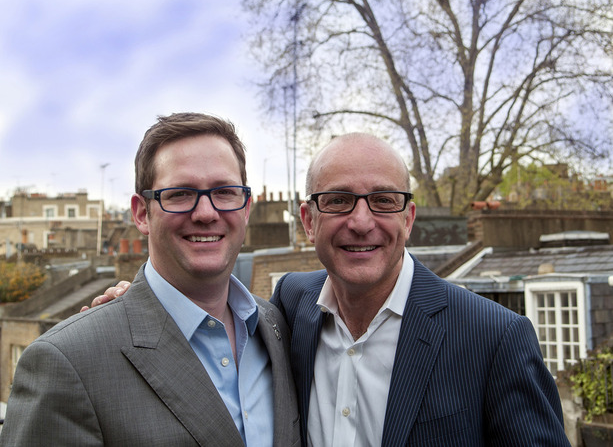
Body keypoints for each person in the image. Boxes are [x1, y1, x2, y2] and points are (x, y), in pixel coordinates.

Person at [91, 133, 570, 446]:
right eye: (338, 201)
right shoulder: (288, 309)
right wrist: (140, 309)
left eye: (383, 201)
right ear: (308, 220)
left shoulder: (494, 337)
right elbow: (206, 324)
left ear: (408, 217)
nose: (361, 223)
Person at [0, 113, 300, 447]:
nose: (205, 213)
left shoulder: (278, 327)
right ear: (142, 213)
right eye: (180, 194)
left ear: (245, 208)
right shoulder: (67, 362)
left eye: (225, 191)